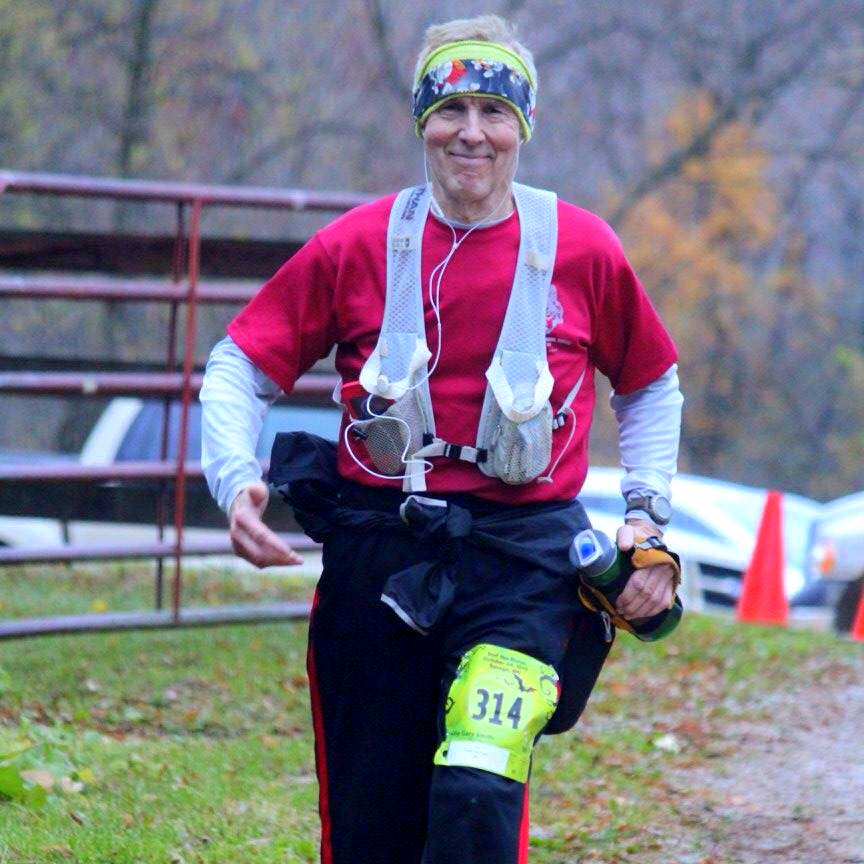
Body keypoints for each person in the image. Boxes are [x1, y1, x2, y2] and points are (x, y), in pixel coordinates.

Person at [200, 13, 683, 864]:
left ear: (522, 127)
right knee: (372, 821)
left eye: (495, 112)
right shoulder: (358, 243)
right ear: (421, 121)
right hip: (380, 556)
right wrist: (234, 478)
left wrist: (645, 518)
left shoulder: (581, 248)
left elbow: (649, 382)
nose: (472, 133)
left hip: (523, 566)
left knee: (476, 794)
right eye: (450, 109)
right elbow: (240, 362)